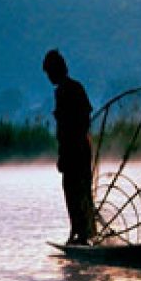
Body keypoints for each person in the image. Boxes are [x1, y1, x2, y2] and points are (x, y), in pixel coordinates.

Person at [43, 49, 95, 245]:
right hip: (80, 147)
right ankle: (84, 232)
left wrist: (64, 154)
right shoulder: (73, 87)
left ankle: (81, 234)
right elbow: (83, 118)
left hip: (75, 149)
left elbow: (70, 125)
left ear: (56, 70)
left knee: (74, 190)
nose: (49, 77)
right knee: (80, 190)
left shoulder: (67, 90)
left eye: (49, 73)